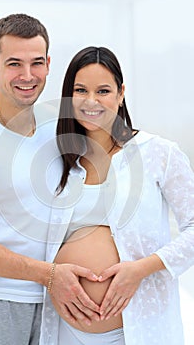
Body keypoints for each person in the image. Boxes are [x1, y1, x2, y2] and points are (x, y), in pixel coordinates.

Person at [0, 15, 101, 345]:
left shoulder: (55, 128)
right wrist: (49, 274)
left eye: (36, 63)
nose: (27, 76)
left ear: (48, 64)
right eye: (14, 63)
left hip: (55, 302)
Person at [39, 46, 194, 345]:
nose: (91, 101)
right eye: (81, 90)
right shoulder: (57, 160)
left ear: (121, 93)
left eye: (103, 91)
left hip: (139, 328)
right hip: (64, 330)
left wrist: (140, 269)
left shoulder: (158, 153)